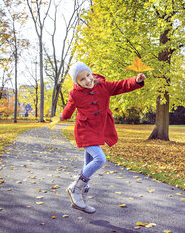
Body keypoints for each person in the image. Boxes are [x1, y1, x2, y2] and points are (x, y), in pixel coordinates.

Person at [60, 61, 146, 213]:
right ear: (77, 82)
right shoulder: (75, 94)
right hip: (85, 131)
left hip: (98, 130)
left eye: (88, 75)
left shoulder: (103, 86)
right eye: (82, 79)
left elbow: (121, 85)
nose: (87, 80)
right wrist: (63, 116)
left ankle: (82, 193)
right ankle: (75, 188)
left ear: (90, 73)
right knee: (100, 159)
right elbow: (69, 109)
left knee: (89, 162)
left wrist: (136, 80)